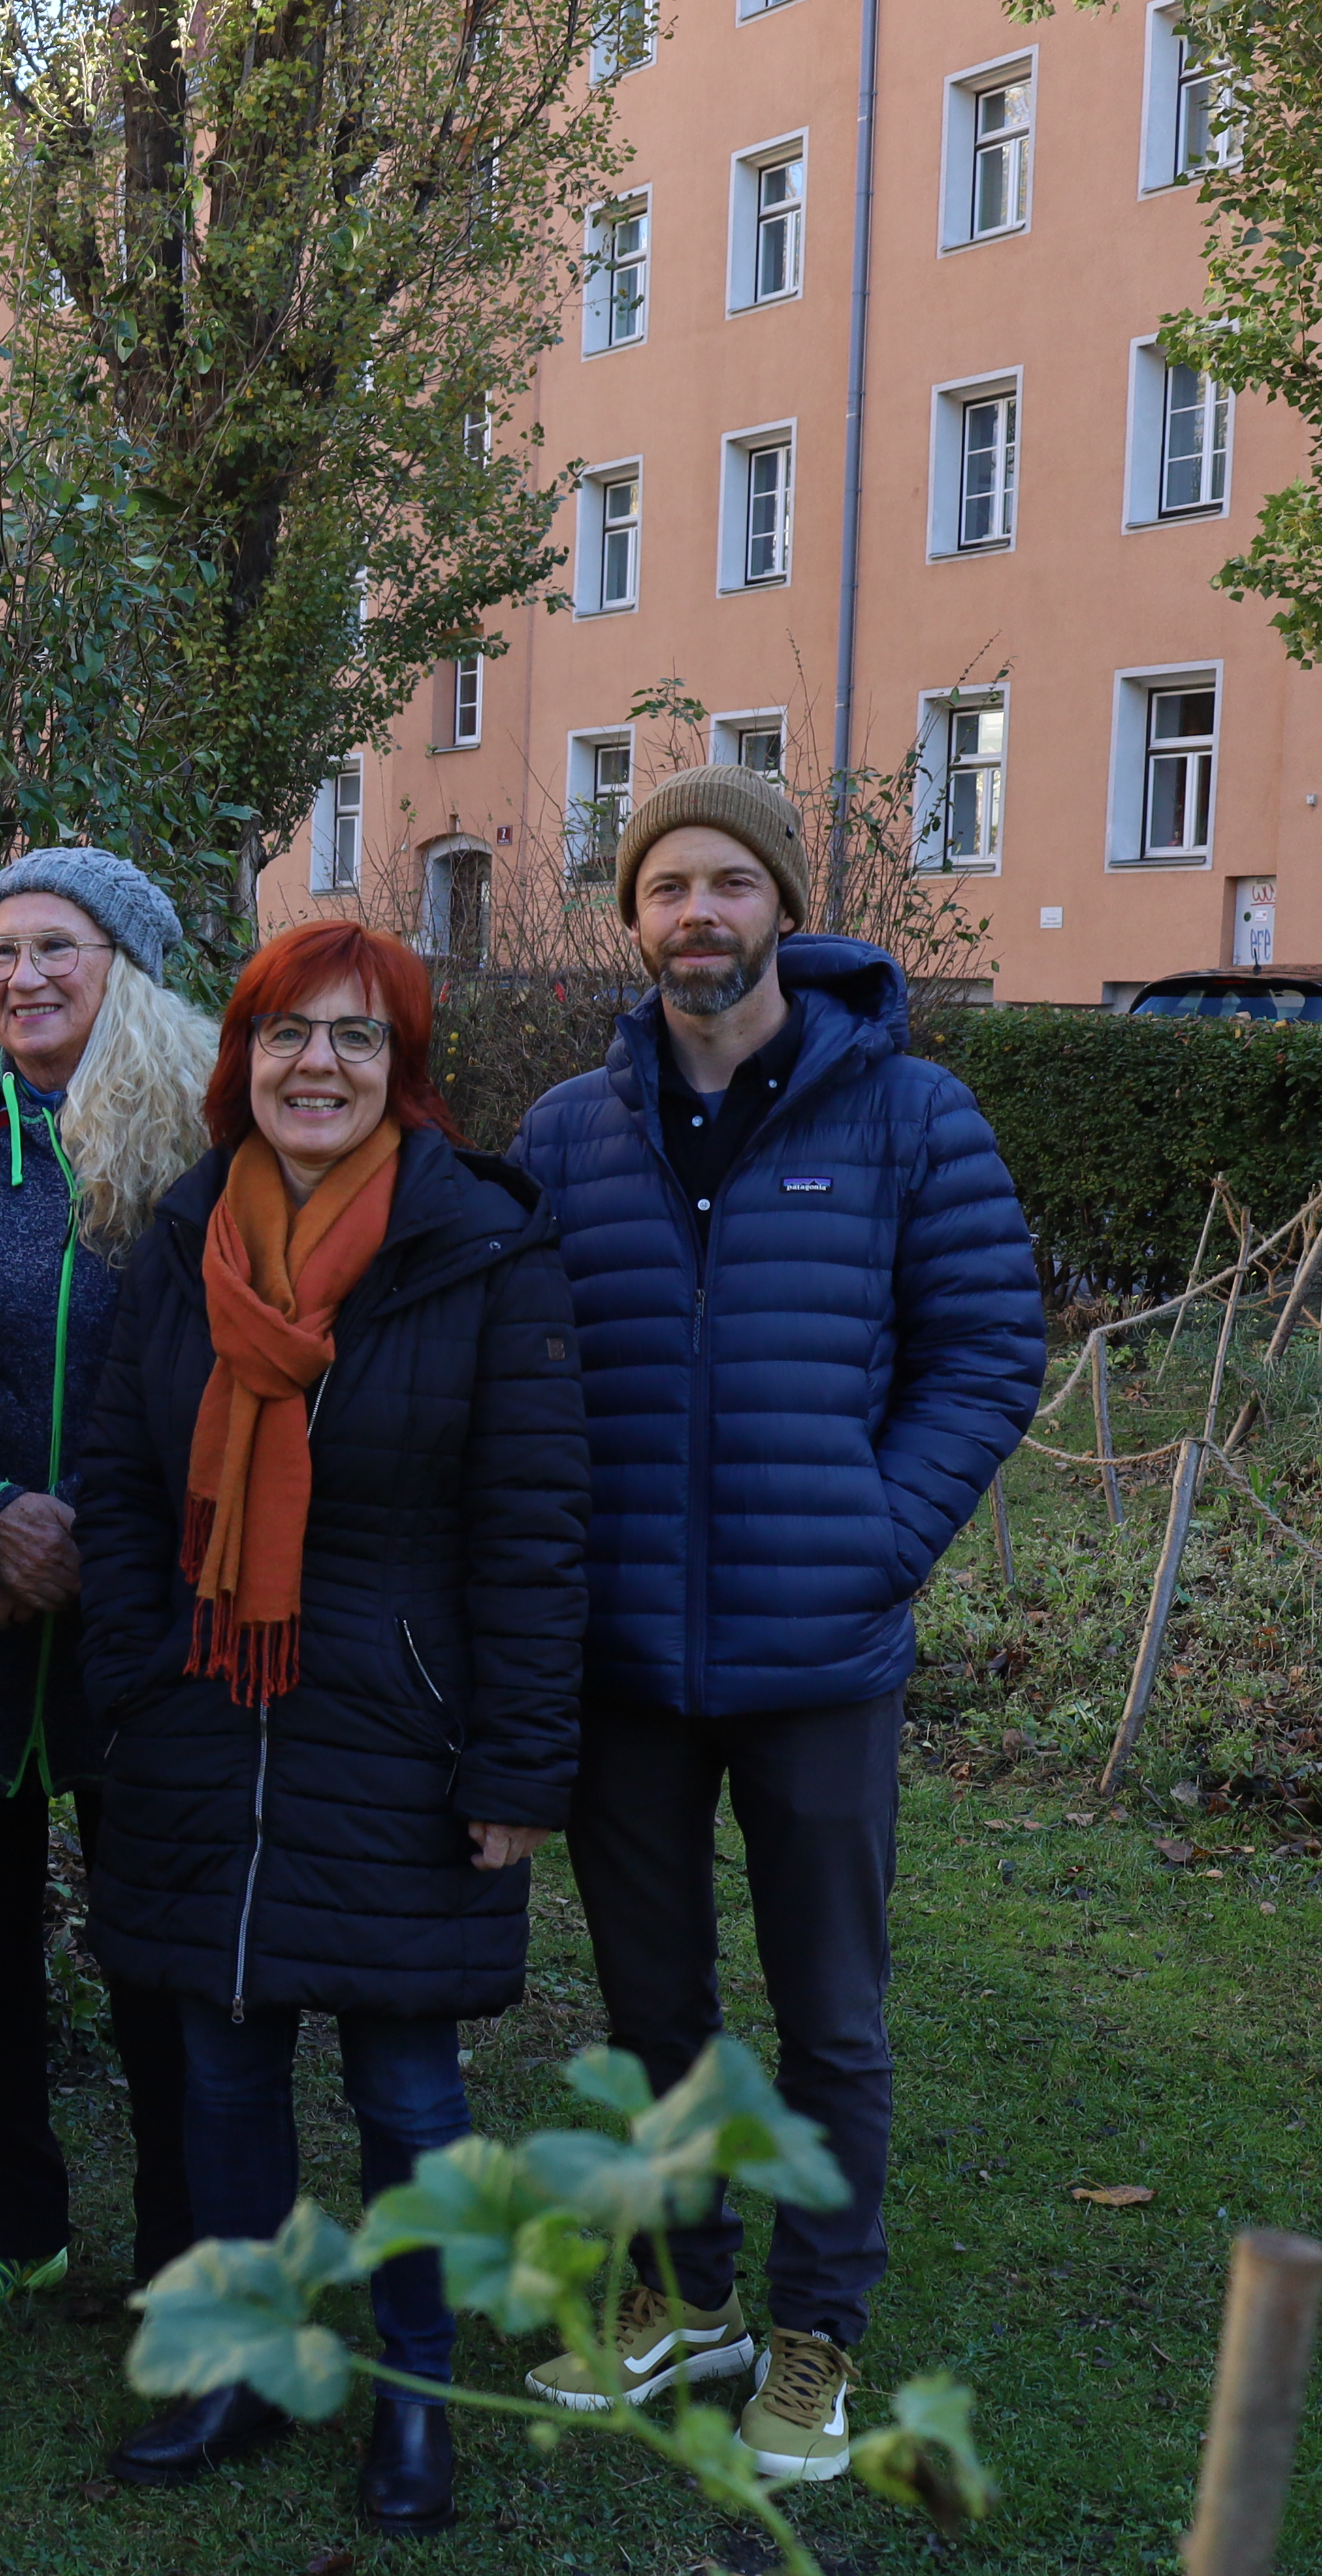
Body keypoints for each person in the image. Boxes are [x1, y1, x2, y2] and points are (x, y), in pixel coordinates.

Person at [508, 766, 1040, 2480]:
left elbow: (986, 1355)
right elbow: (529, 1380)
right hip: (630, 1668)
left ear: (784, 908)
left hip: (820, 1661)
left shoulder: (911, 1117)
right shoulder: (568, 1136)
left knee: (833, 2021)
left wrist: (874, 1540)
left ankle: (812, 2341)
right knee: (653, 2010)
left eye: (731, 883)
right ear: (634, 919)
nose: (700, 916)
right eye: (668, 888)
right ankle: (686, 2293)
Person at [78, 919, 587, 2536]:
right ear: (243, 1060)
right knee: (221, 2082)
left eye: (359, 1040)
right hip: (203, 1728)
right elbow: (116, 1485)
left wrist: (513, 1759)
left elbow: (533, 1527)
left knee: (409, 2100)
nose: (320, 1066)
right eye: (292, 1034)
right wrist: (146, 1672)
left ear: (403, 1070)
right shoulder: (179, 1238)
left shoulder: (483, 1252)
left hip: (399, 1736)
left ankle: (419, 2398)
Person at [0, 848, 218, 2331]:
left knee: (156, 1935)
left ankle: (180, 2242)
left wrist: (94, 1531)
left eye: (58, 947)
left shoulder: (215, 1135)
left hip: (148, 1599)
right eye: (1, 950)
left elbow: (237, 1365)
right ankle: (14, 2219)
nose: (23, 976)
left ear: (127, 966)